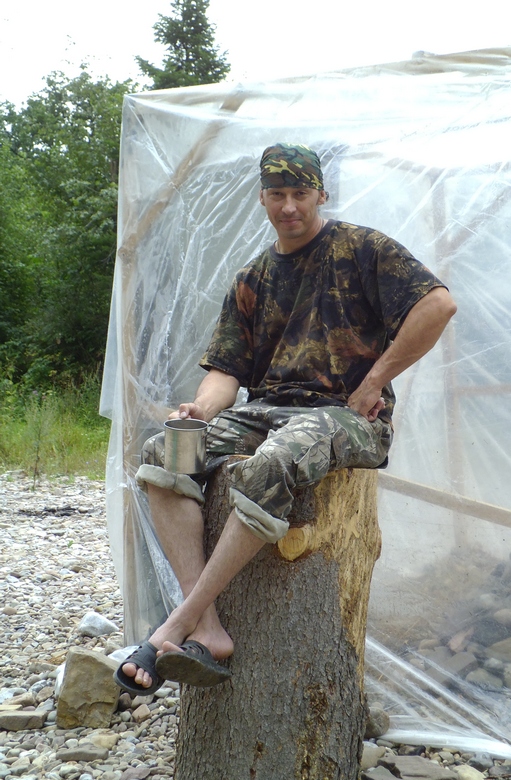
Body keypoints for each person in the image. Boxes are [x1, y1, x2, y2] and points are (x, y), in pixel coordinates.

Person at [114, 143, 457, 695]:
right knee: (165, 453)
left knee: (273, 461)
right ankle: (208, 626)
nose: (289, 206)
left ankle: (175, 625)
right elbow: (226, 372)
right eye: (278, 194)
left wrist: (374, 381)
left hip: (346, 415)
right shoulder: (252, 278)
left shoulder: (361, 248)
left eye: (300, 192)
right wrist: (201, 409)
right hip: (267, 410)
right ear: (262, 198)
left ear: (321, 194)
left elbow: (437, 305)